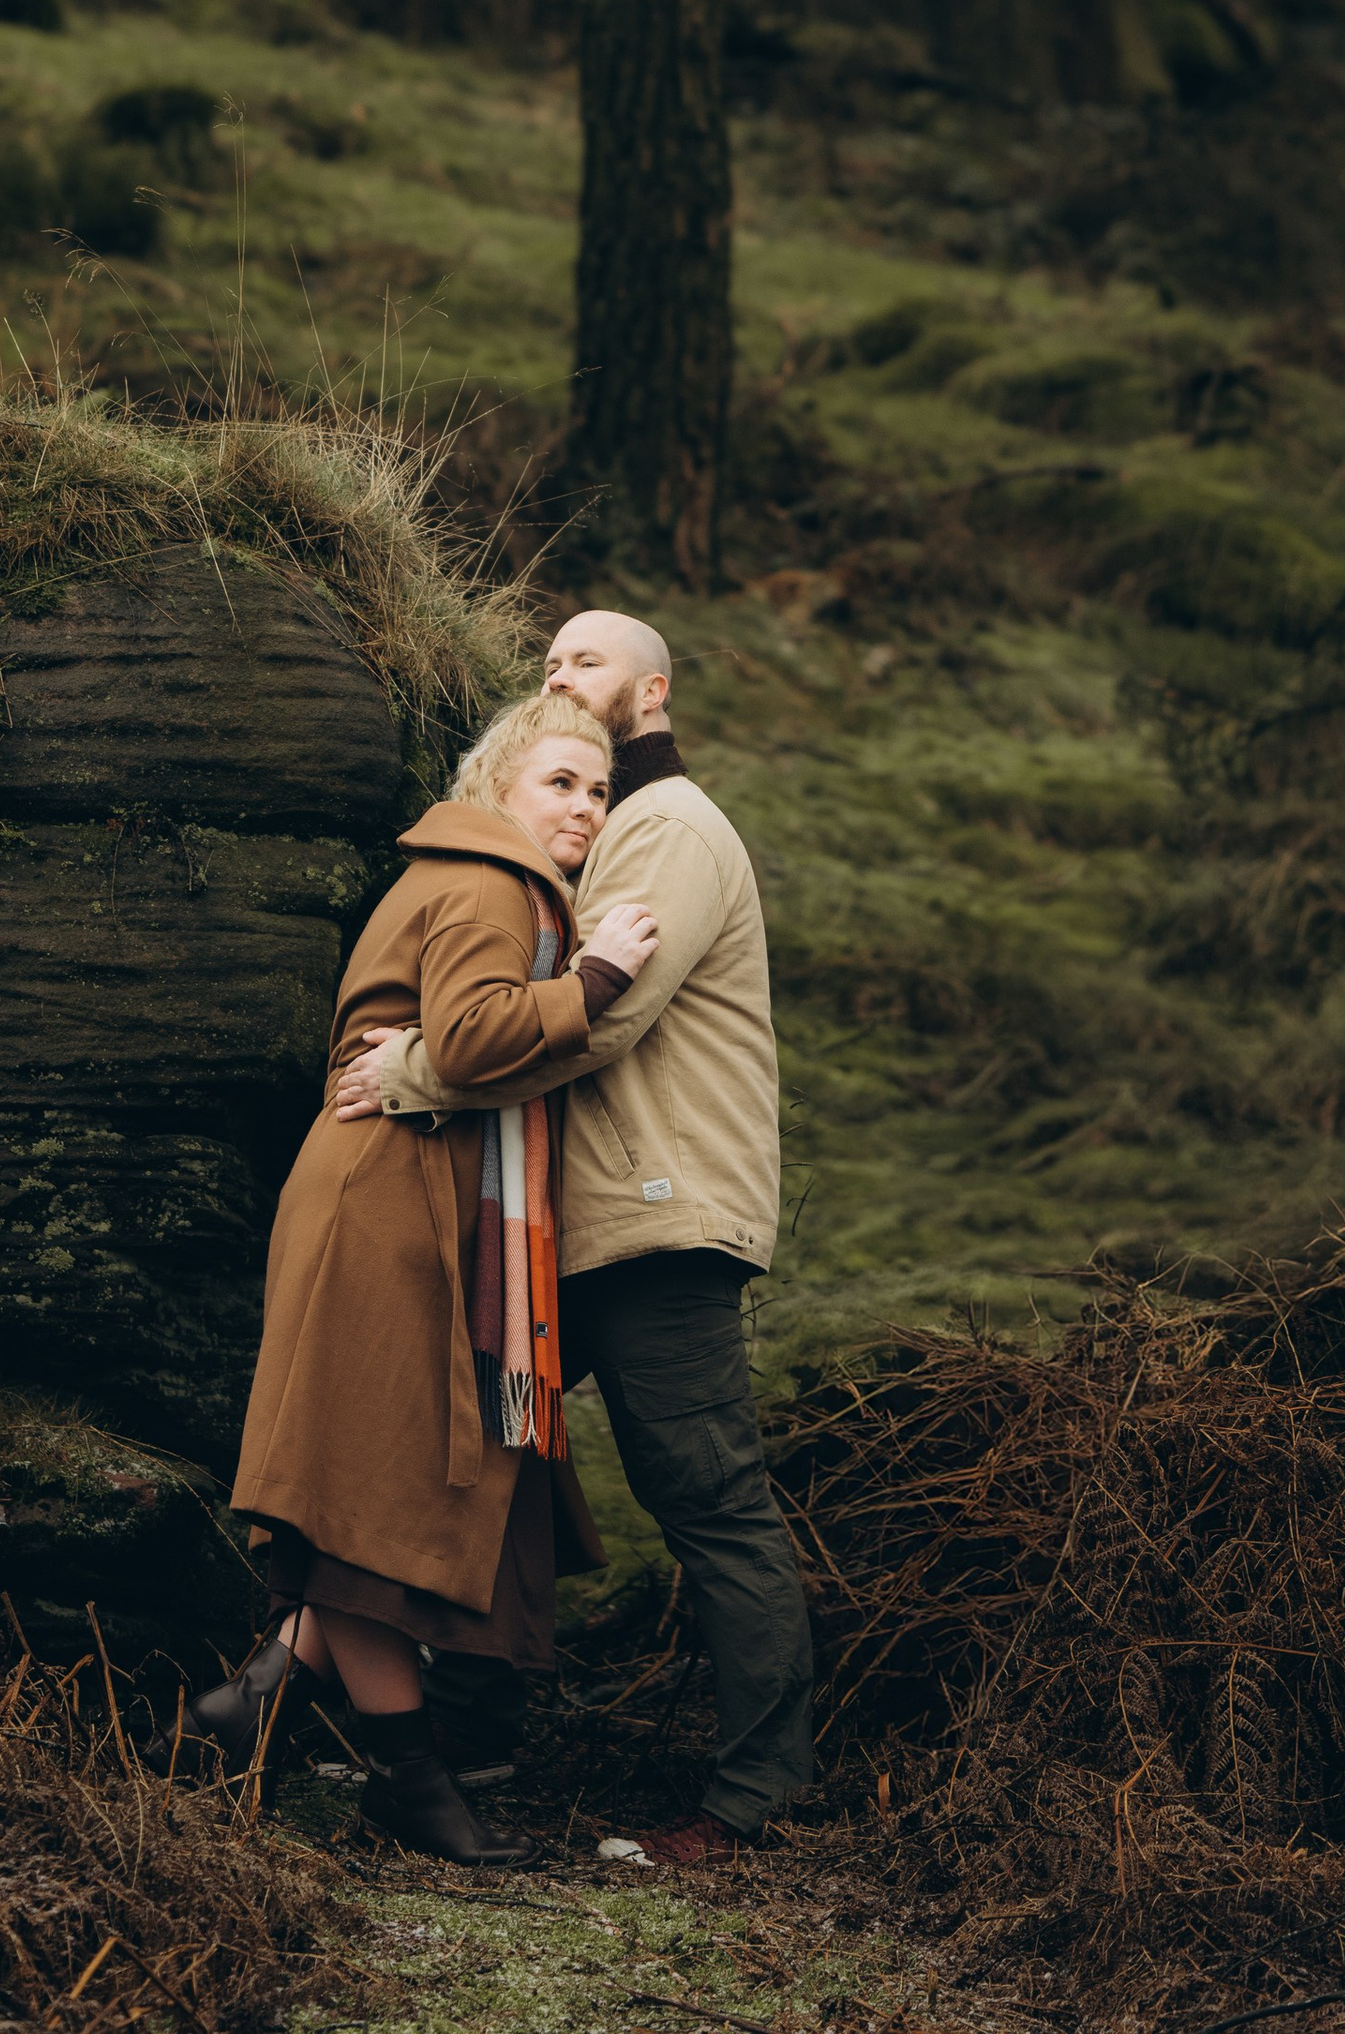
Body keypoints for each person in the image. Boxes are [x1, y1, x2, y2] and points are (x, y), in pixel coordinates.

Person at [338, 608, 814, 1862]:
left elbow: (599, 1019)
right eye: (547, 663)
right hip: (580, 1216)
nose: (559, 674)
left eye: (587, 661)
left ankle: (756, 1798)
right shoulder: (598, 828)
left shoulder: (663, 826)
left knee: (709, 1504)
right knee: (494, 1469)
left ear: (650, 690)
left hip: (655, 1220)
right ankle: (459, 1734)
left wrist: (412, 1073)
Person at [188, 689, 660, 1865]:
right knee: (365, 1503)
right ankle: (409, 1781)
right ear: (497, 785)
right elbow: (469, 1040)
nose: (584, 808)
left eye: (599, 790)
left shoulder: (478, 874)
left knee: (369, 1483)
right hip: (382, 1200)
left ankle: (233, 1720)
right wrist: (597, 977)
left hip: (395, 1192)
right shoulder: (489, 882)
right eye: (559, 782)